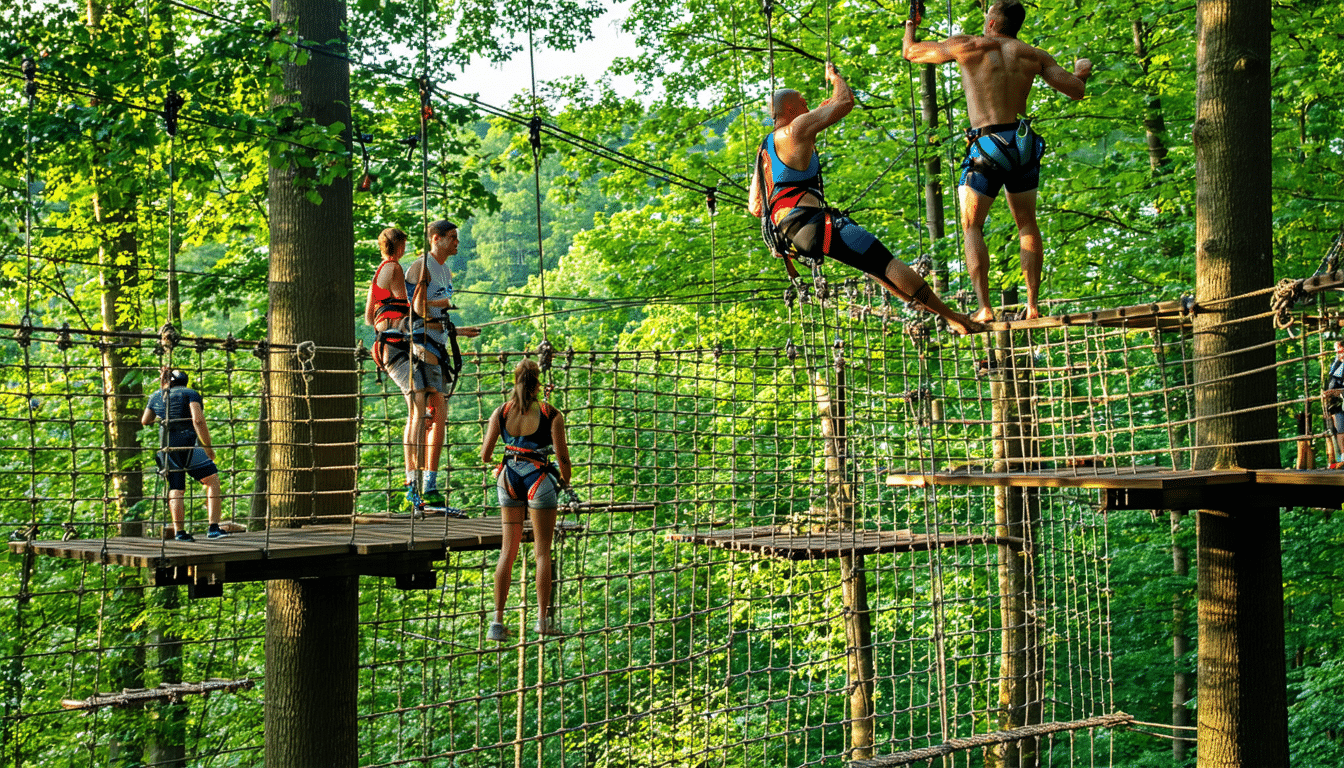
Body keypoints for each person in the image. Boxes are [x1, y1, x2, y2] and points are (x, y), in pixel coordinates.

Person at [748, 63, 982, 336]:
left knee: (871, 265)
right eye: (803, 103)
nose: (808, 106)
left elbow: (755, 206)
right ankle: (954, 318)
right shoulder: (796, 129)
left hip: (790, 234)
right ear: (789, 109)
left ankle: (923, 305)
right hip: (814, 224)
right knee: (886, 262)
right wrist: (835, 78)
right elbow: (845, 102)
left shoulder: (765, 149)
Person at [902, 0, 1091, 322]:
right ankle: (1032, 305)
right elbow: (1076, 90)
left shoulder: (968, 45)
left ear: (991, 23)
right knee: (1027, 223)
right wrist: (1082, 70)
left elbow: (911, 52)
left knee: (972, 225)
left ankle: (985, 308)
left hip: (987, 144)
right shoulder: (1034, 55)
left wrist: (911, 26)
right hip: (1021, 143)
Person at [390, 220, 480, 512]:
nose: (456, 242)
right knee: (425, 411)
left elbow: (435, 311)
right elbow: (417, 309)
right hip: (421, 342)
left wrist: (458, 330)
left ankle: (429, 481)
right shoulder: (422, 267)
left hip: (437, 340)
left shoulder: (445, 270)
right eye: (452, 237)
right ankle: (416, 483)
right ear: (435, 238)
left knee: (439, 412)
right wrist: (444, 304)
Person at [479, 359, 571, 642]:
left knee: (507, 551)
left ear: (515, 380)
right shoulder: (550, 413)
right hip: (539, 481)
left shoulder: (501, 412)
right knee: (542, 552)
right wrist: (563, 482)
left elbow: (485, 455)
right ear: (538, 383)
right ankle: (542, 620)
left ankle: (497, 623)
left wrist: (505, 461)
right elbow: (563, 458)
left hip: (508, 480)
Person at [141, 368, 225, 542]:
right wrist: (207, 447)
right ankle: (213, 528)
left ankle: (180, 532)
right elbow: (198, 420)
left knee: (176, 489)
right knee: (212, 480)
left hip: (168, 448)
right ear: (184, 381)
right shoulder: (190, 394)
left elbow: (145, 420)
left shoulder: (156, 396)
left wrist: (163, 417)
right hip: (190, 445)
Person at [1323, 341, 1344, 468]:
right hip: (1336, 403)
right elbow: (1332, 380)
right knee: (1339, 430)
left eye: (1339, 349)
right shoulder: (1336, 364)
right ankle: (1342, 457)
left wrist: (1339, 391)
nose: (1337, 352)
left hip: (1340, 398)